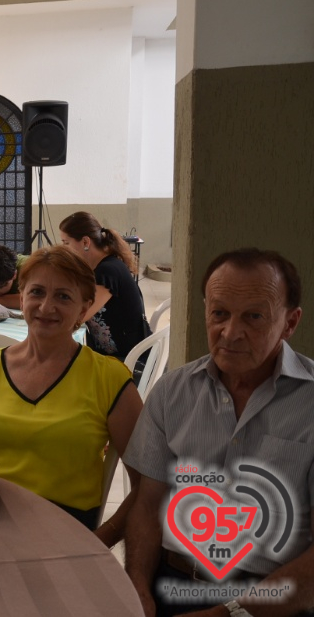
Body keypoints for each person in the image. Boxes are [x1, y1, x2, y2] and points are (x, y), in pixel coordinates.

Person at [123, 249, 314, 617]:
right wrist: (137, 586)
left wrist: (229, 613)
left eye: (254, 317)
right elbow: (147, 505)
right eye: (220, 314)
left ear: (290, 323)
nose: (230, 332)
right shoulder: (172, 392)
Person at [0, 246, 143, 545]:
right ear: (22, 297)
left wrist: (99, 543)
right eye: (37, 292)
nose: (46, 306)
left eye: (63, 296)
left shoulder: (109, 378)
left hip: (64, 537)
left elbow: (148, 483)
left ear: (83, 308)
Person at [59, 211, 149, 361]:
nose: (64, 250)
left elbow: (79, 315)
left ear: (86, 242)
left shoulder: (107, 272)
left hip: (127, 360)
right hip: (111, 356)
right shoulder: (97, 267)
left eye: (66, 243)